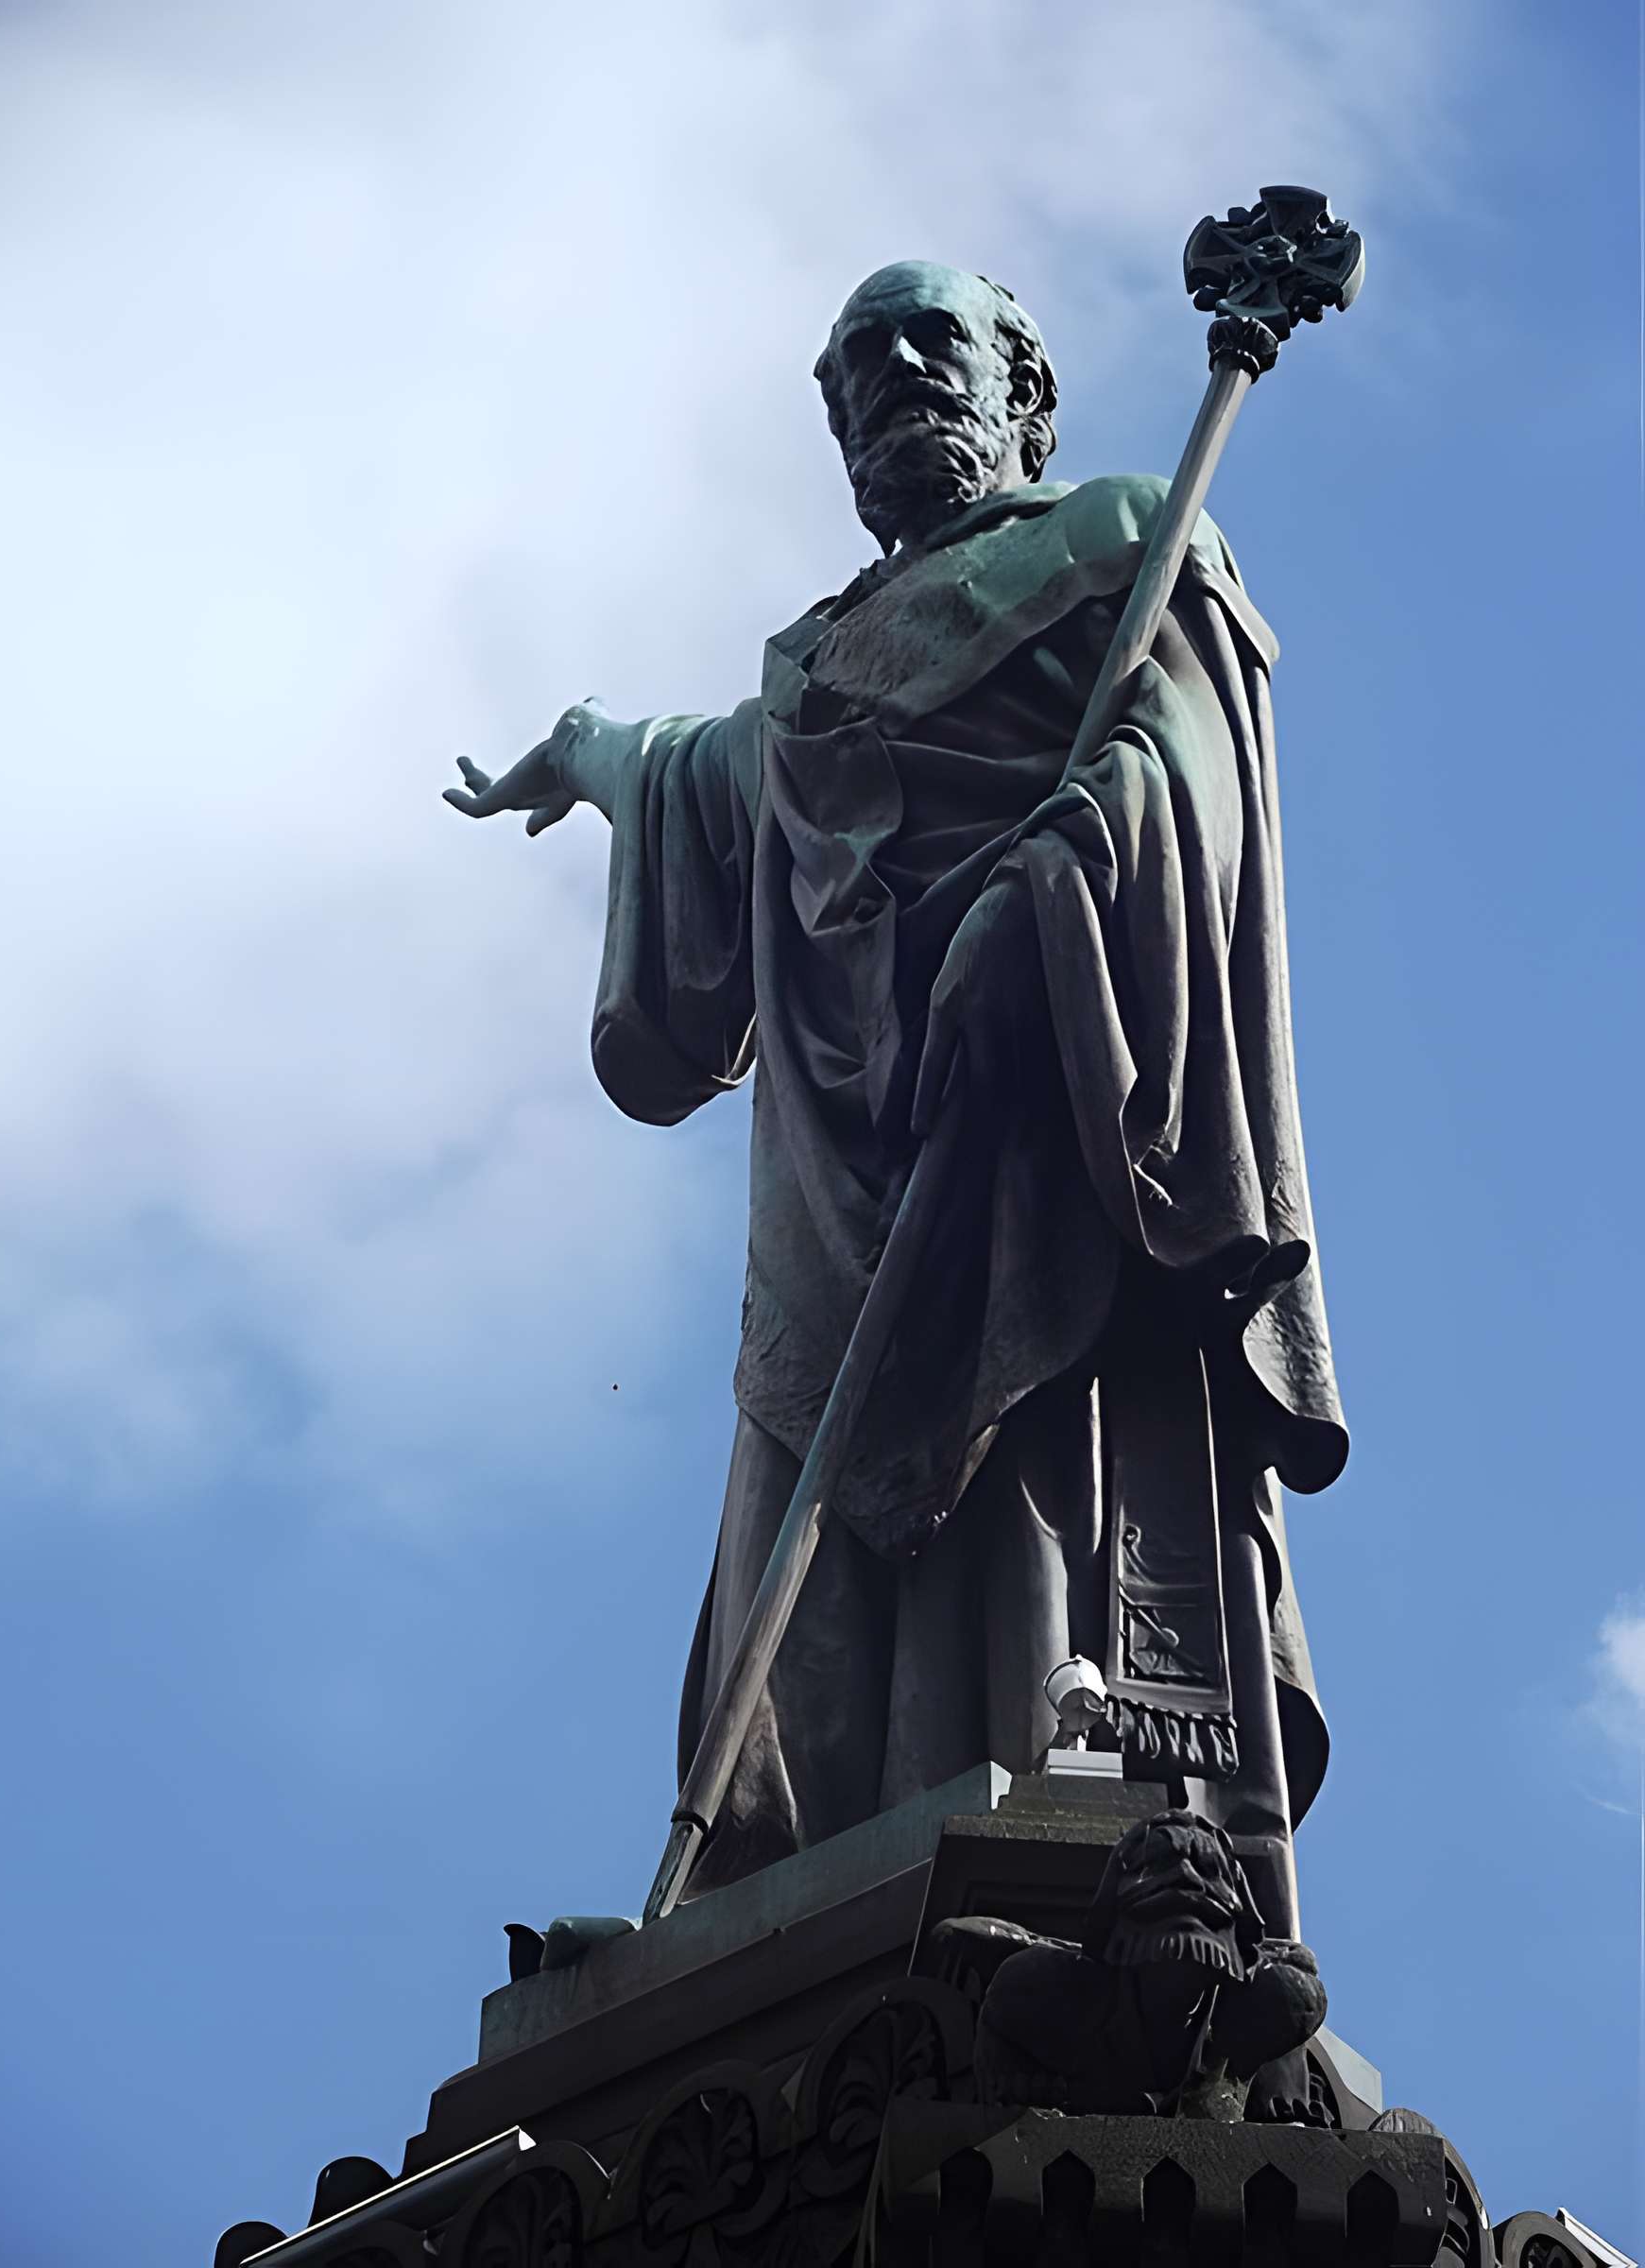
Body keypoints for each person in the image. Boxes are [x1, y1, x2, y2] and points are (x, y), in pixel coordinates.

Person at [445, 263, 1346, 1949]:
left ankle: (1070, 1811)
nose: (896, 374)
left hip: (1053, 1118)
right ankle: (765, 1896)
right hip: (837, 1190)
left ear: (1026, 386)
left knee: (1037, 1489)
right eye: (859, 360)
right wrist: (586, 754)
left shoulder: (1122, 541)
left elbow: (1189, 766)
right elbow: (710, 777)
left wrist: (1066, 879)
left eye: (935, 339)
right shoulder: (813, 667)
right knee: (806, 1491)